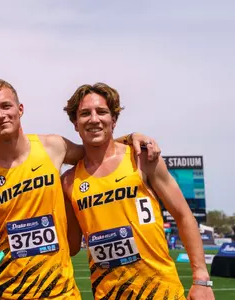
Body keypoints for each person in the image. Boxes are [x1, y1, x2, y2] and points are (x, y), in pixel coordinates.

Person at [0, 79, 161, 299]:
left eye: (6, 106)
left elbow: (97, 150)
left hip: (62, 293)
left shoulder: (53, 147)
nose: (0, 115)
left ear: (20, 109)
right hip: (11, 293)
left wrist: (130, 137)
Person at [61, 83, 215, 299]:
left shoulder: (142, 158)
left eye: (102, 112)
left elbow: (183, 215)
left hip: (163, 292)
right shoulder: (68, 181)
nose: (94, 119)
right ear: (75, 124)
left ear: (113, 120)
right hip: (108, 294)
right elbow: (72, 245)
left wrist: (201, 279)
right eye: (85, 114)